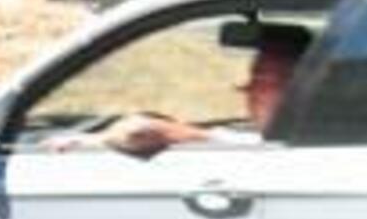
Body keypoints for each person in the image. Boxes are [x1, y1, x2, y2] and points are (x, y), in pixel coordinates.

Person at [96, 23, 312, 159]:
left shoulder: (299, 151)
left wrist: (188, 134)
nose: (246, 90)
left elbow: (136, 132)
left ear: (300, 89)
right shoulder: (266, 140)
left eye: (263, 79)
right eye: (253, 79)